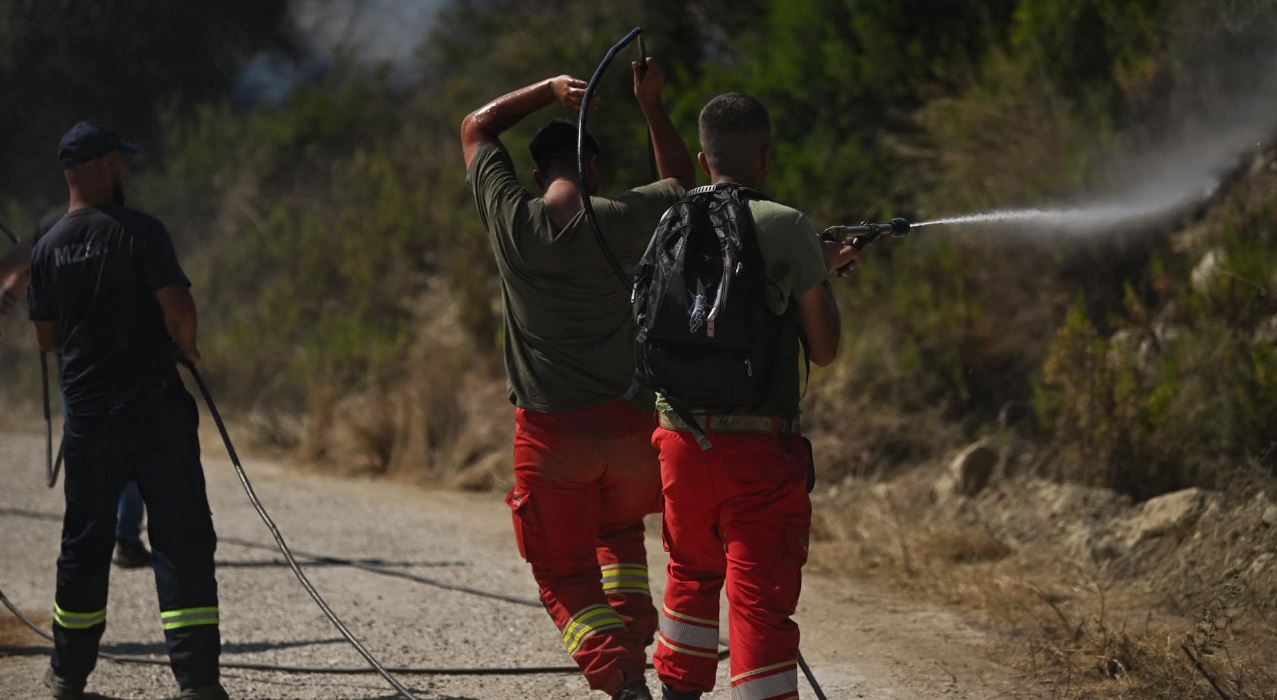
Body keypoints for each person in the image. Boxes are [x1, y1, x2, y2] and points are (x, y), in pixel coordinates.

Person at [460, 58, 695, 699]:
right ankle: (635, 656)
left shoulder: (513, 220)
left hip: (551, 437)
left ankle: (620, 681)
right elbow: (682, 181)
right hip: (631, 435)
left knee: (563, 571)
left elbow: (476, 128)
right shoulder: (623, 218)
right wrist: (650, 104)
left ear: (536, 176)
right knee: (619, 538)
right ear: (593, 169)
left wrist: (548, 91)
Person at [649, 94, 858, 700]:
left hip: (680, 440)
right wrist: (817, 276)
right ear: (766, 156)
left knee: (689, 573)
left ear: (701, 156)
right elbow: (822, 348)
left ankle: (679, 691)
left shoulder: (671, 219)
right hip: (758, 449)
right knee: (758, 597)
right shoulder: (788, 225)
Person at [27, 121, 226, 700]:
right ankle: (197, 683)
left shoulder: (46, 248)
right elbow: (179, 306)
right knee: (182, 538)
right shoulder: (142, 232)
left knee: (83, 543)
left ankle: (67, 676)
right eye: (120, 163)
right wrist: (185, 347)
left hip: (90, 418)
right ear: (106, 167)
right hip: (155, 409)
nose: (125, 173)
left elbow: (47, 339)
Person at [1, 213, 152, 570]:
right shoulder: (123, 225)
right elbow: (14, 274)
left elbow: (13, 271)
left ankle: (92, 542)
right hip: (118, 362)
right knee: (126, 451)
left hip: (77, 364)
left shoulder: (52, 228)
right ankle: (124, 539)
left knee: (90, 451)